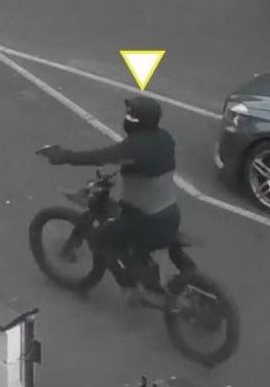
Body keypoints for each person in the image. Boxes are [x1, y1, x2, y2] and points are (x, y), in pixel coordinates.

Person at [41, 95, 179, 306]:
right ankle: (145, 273)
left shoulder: (135, 147)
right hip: (170, 213)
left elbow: (101, 156)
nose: (127, 118)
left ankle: (130, 287)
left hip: (147, 221)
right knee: (128, 234)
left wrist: (65, 156)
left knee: (100, 239)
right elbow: (146, 164)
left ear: (139, 121)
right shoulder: (165, 138)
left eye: (131, 115)